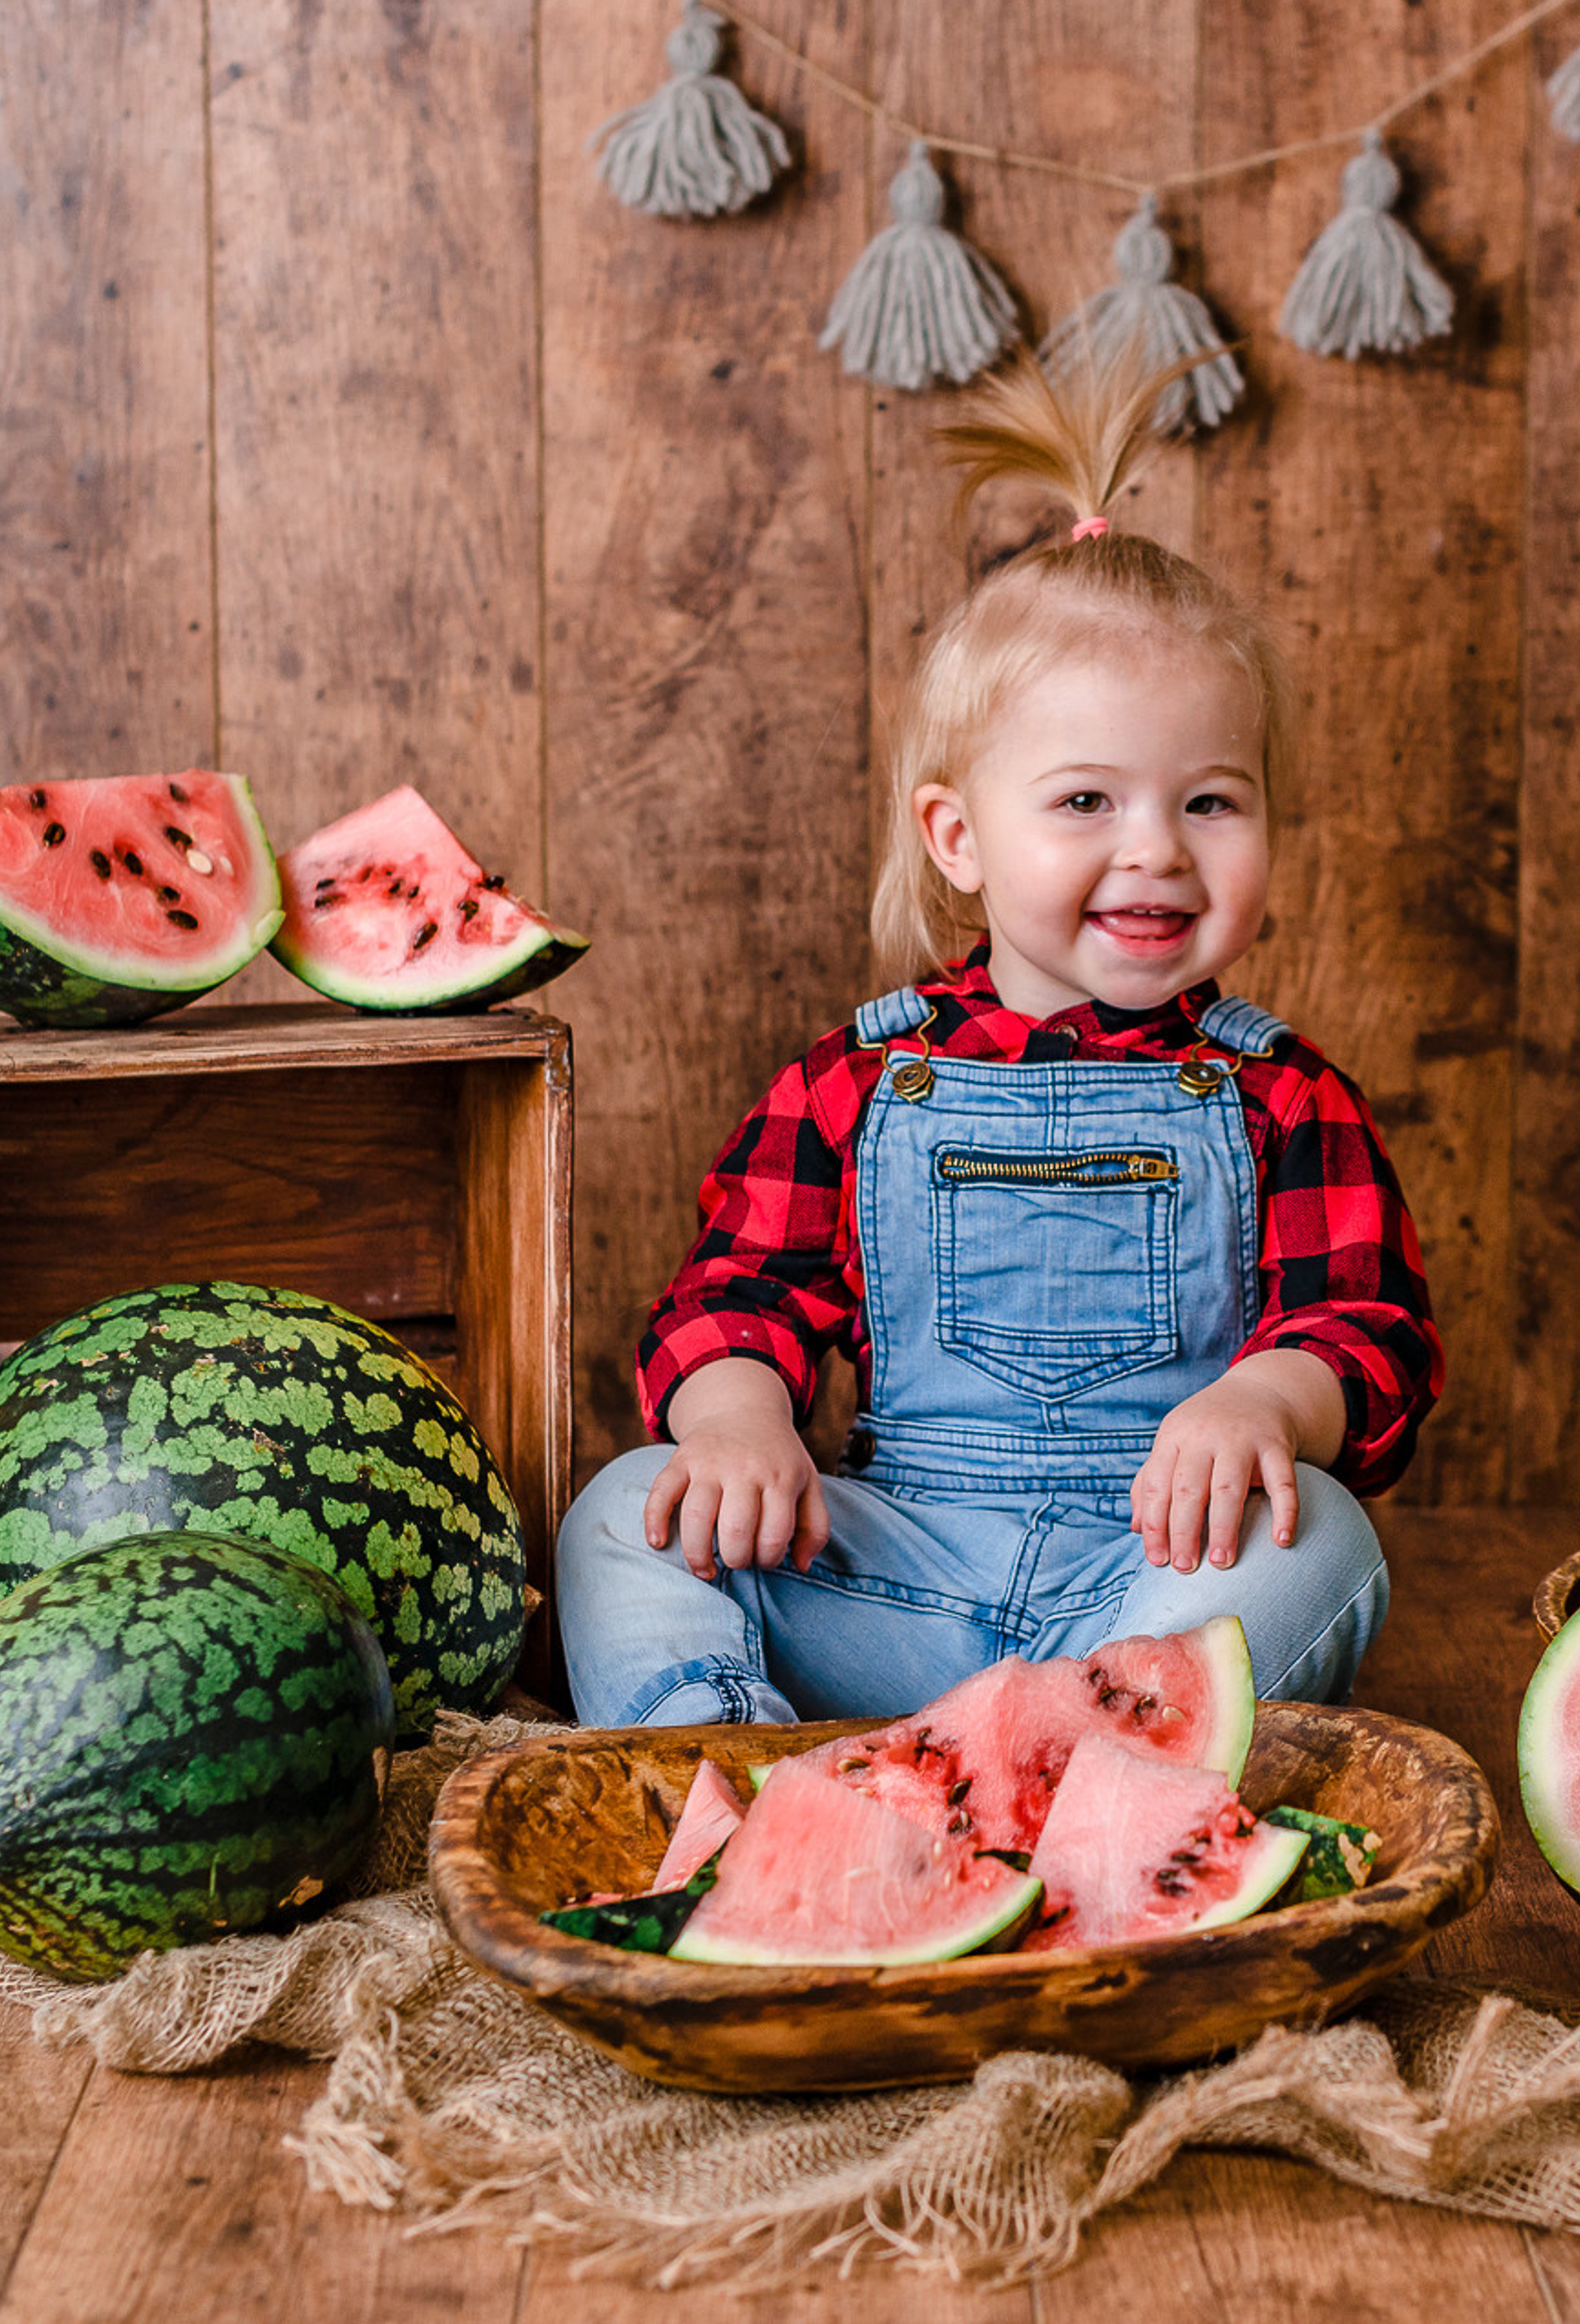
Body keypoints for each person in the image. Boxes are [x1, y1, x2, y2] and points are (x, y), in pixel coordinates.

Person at [557, 348, 1441, 1729]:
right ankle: (709, 1759)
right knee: (625, 1509)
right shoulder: (858, 1080)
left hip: (1149, 1590)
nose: (1154, 850)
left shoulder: (1283, 1096)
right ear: (957, 838)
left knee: (1324, 1537)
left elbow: (1367, 1330)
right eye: (1086, 800)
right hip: (894, 1580)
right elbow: (742, 1292)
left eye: (1212, 802)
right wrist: (738, 1426)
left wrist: (1265, 1407)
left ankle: (1100, 1768)